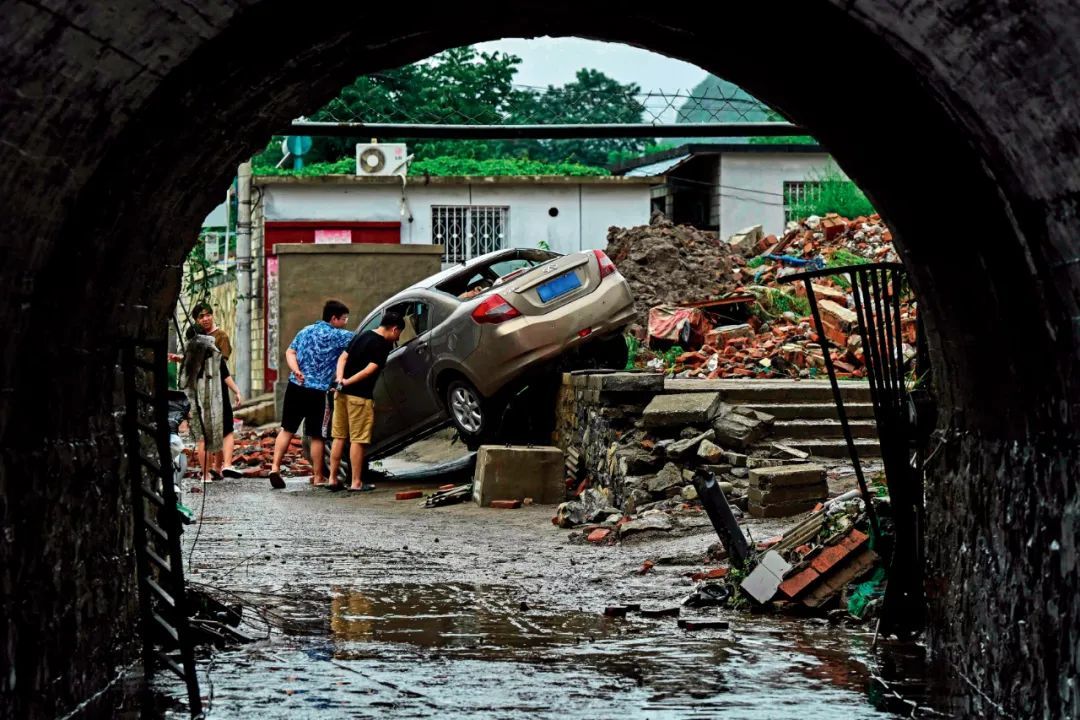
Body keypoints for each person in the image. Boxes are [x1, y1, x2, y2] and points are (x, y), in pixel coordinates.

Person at [268, 300, 353, 489]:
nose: (346, 322)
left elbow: (289, 352)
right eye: (344, 319)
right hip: (319, 391)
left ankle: (274, 467)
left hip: (296, 385)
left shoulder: (305, 331)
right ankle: (317, 476)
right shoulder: (340, 336)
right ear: (334, 318)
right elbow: (361, 342)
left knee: (287, 429)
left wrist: (296, 370)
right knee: (317, 435)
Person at [327, 311, 404, 491]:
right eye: (399, 333)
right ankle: (356, 482)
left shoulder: (362, 336)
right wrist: (348, 381)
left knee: (338, 436)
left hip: (340, 395)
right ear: (394, 329)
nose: (397, 337)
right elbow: (370, 370)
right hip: (359, 397)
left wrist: (340, 379)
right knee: (357, 440)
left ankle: (332, 479)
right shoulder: (383, 345)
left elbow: (343, 357)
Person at [188, 302, 243, 480]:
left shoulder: (220, 337)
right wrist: (237, 391)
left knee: (210, 434)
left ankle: (214, 470)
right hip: (213, 393)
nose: (205, 319)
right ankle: (219, 467)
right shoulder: (205, 344)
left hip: (207, 393)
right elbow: (221, 369)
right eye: (201, 317)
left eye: (207, 315)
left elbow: (220, 367)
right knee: (220, 431)